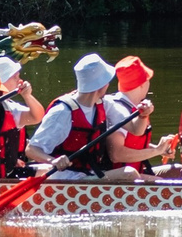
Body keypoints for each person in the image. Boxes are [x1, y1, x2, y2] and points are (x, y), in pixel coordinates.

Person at [26, 54, 150, 182]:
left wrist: (143, 115)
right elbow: (31, 149)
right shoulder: (62, 112)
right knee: (129, 173)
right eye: (107, 82)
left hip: (89, 175)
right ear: (101, 86)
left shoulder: (104, 104)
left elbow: (136, 130)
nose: (108, 85)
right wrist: (53, 160)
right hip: (66, 179)